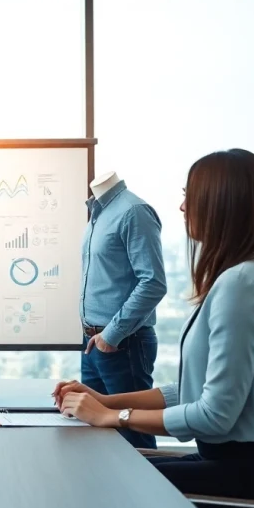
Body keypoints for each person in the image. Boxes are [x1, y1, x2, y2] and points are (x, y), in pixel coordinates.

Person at [54, 149, 254, 508]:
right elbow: (197, 390)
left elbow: (213, 416)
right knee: (115, 476)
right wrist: (104, 401)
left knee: (109, 486)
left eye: (192, 196)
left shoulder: (242, 285)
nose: (182, 207)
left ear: (222, 205)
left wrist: (114, 418)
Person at [79, 170, 167, 449]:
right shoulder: (98, 214)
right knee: (97, 434)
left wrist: (111, 335)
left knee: (134, 437)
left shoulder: (133, 211)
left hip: (123, 344)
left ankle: (143, 493)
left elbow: (153, 282)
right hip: (93, 343)